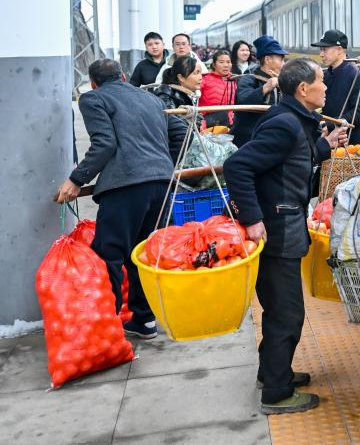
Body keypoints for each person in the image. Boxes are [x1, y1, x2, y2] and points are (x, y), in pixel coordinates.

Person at [223, 58, 347, 415]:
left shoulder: (294, 121)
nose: (326, 86)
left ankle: (272, 373)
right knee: (286, 312)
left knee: (281, 308)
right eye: (321, 81)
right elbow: (238, 166)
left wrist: (325, 146)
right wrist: (252, 219)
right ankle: (276, 393)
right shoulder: (284, 124)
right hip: (276, 229)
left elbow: (290, 160)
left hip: (286, 224)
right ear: (303, 89)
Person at [54, 59, 187, 340]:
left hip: (127, 187)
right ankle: (144, 319)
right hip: (162, 185)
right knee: (142, 253)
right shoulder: (149, 98)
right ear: (124, 76)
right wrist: (162, 164)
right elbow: (181, 132)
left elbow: (104, 143)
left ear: (93, 83)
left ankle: (109, 326)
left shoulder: (93, 98)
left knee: (108, 254)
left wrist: (76, 179)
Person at [232, 36, 287, 147]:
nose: (284, 63)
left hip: (274, 137)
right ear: (267, 59)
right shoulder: (249, 79)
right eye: (281, 59)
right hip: (250, 139)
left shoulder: (282, 81)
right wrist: (266, 87)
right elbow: (244, 101)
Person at [311, 30, 359, 125]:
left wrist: (329, 124)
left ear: (339, 50)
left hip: (351, 136)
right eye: (321, 50)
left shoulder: (355, 74)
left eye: (324, 49)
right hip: (332, 134)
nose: (321, 54)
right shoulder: (327, 74)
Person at [199, 50, 237, 127]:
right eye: (221, 62)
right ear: (214, 65)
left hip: (229, 124)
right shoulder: (204, 79)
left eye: (228, 62)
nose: (226, 65)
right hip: (208, 124)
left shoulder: (234, 80)